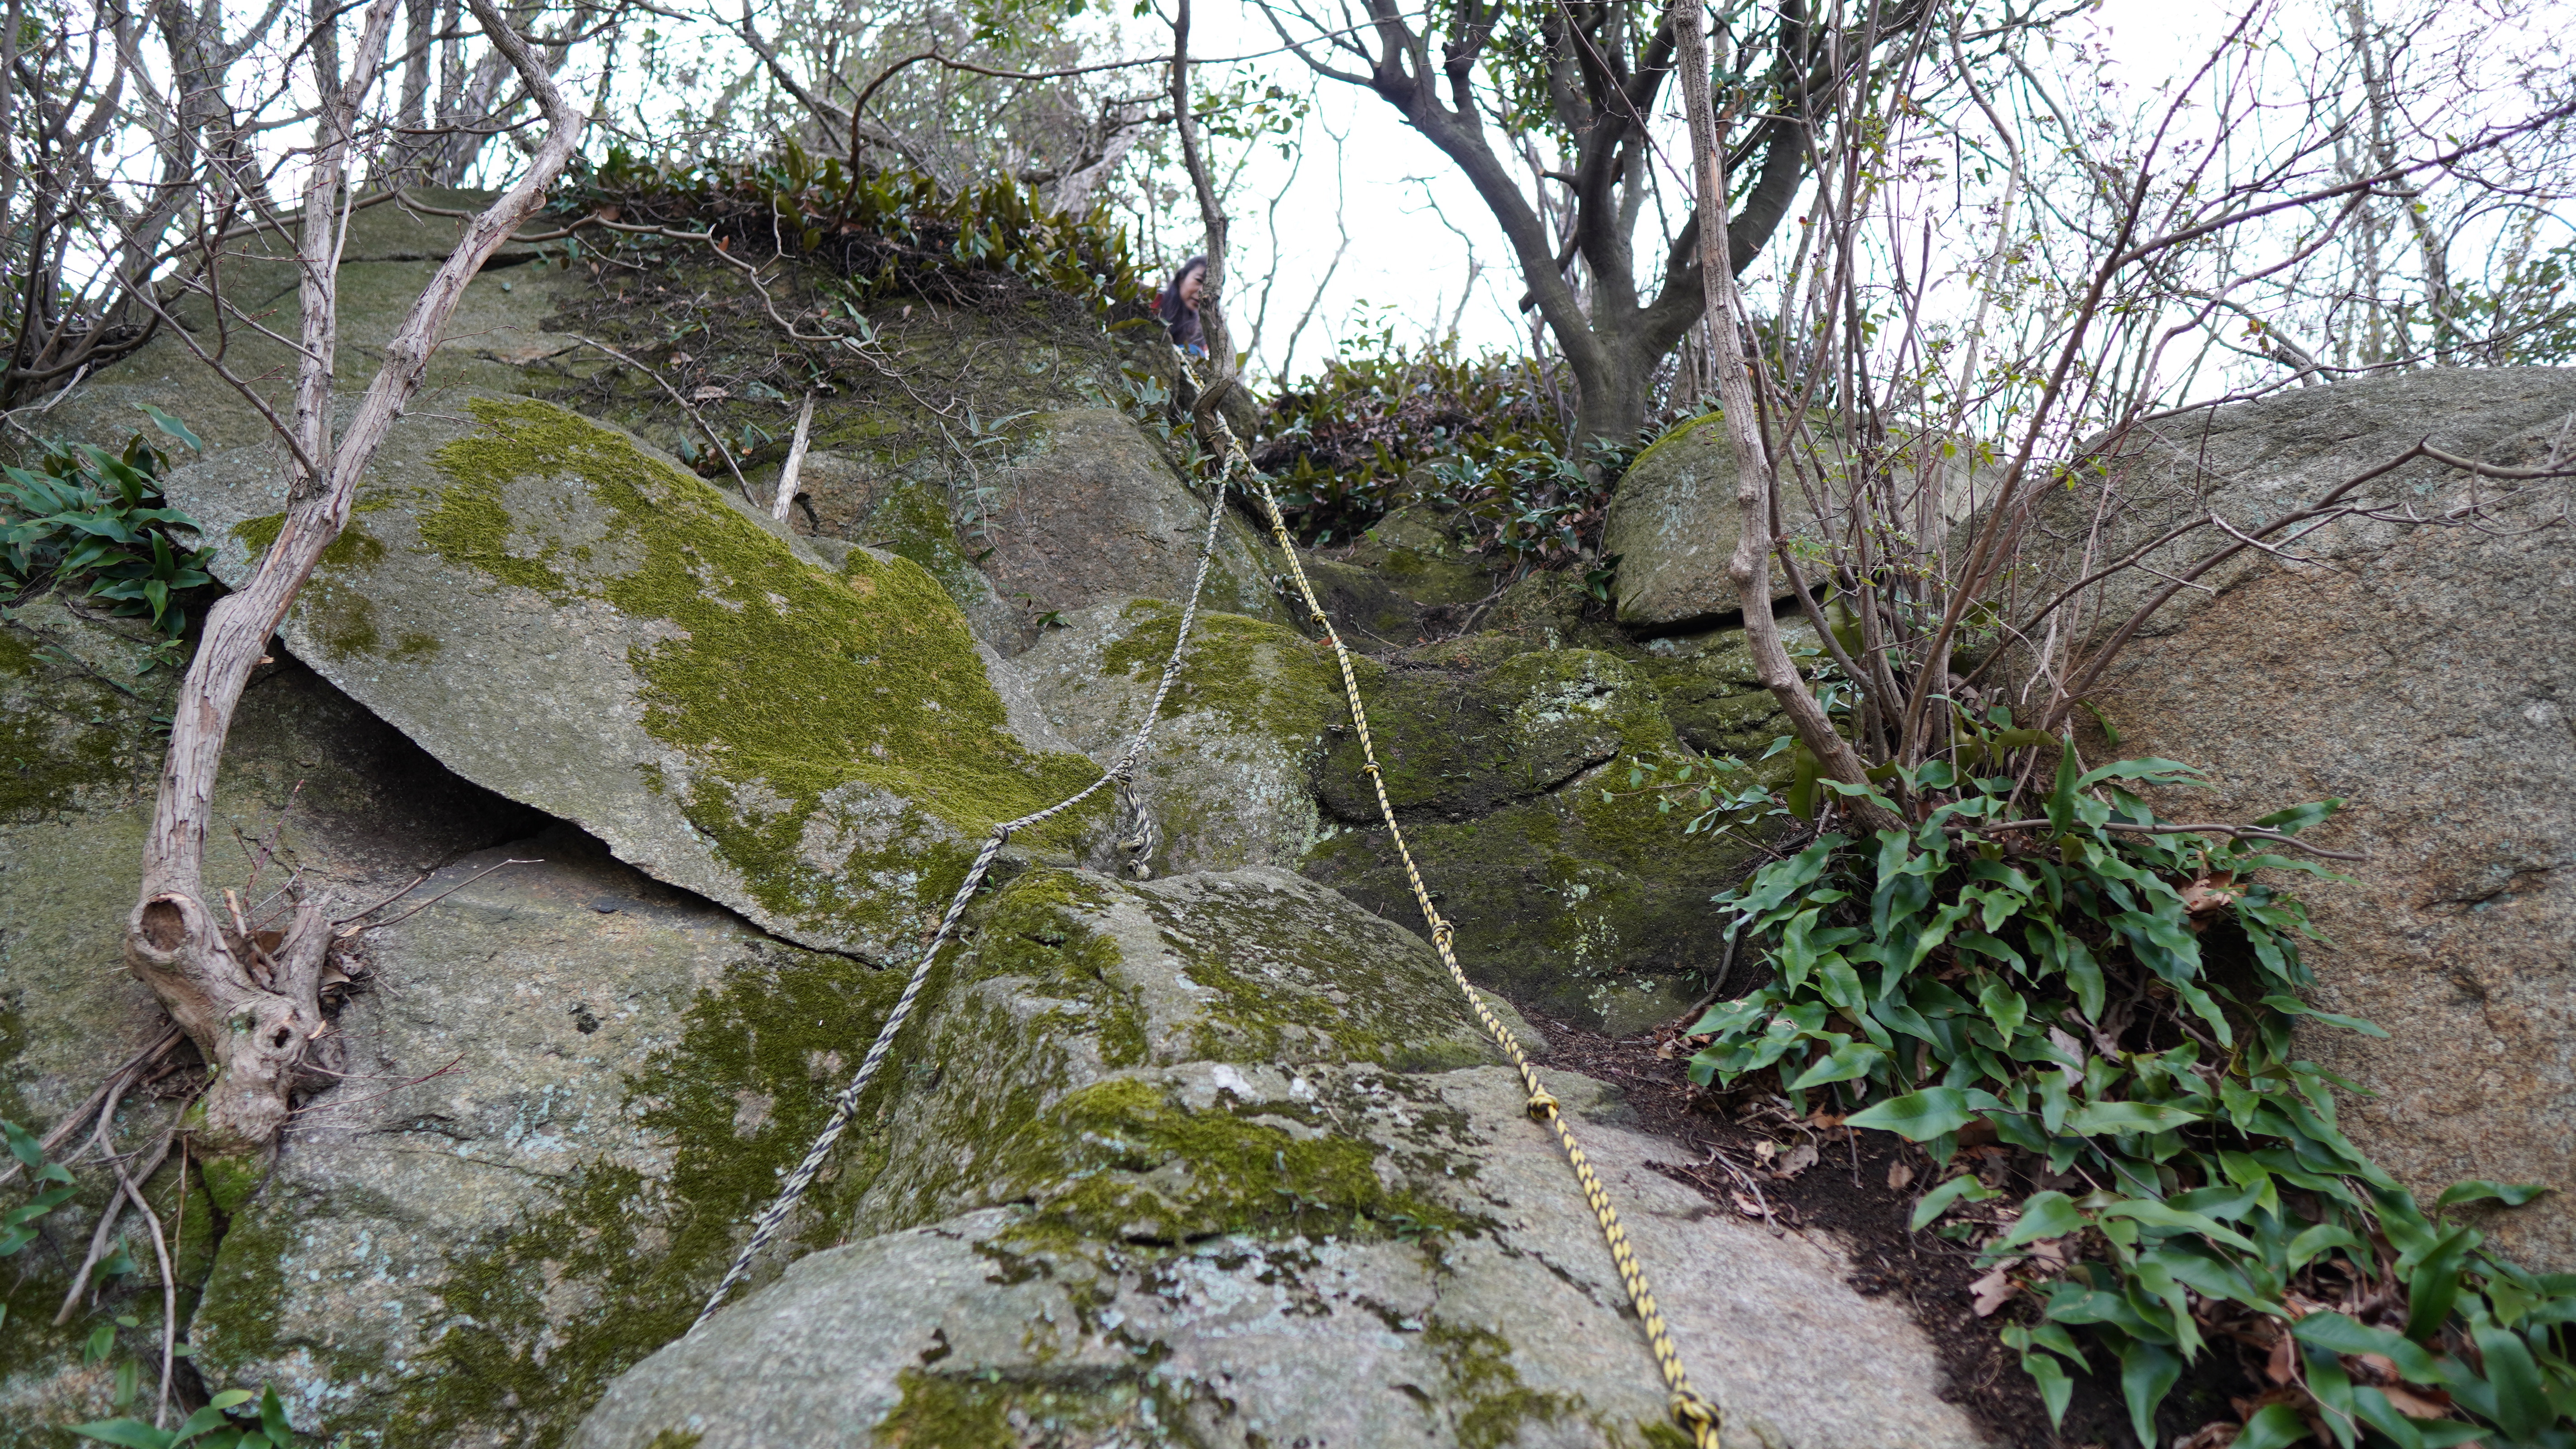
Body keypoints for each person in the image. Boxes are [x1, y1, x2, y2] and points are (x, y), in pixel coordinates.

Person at [1159, 256, 1208, 357]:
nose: (1202, 292)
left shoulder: (1202, 334)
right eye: (1199, 280)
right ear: (1182, 279)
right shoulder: (1152, 300)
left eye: (1210, 288)